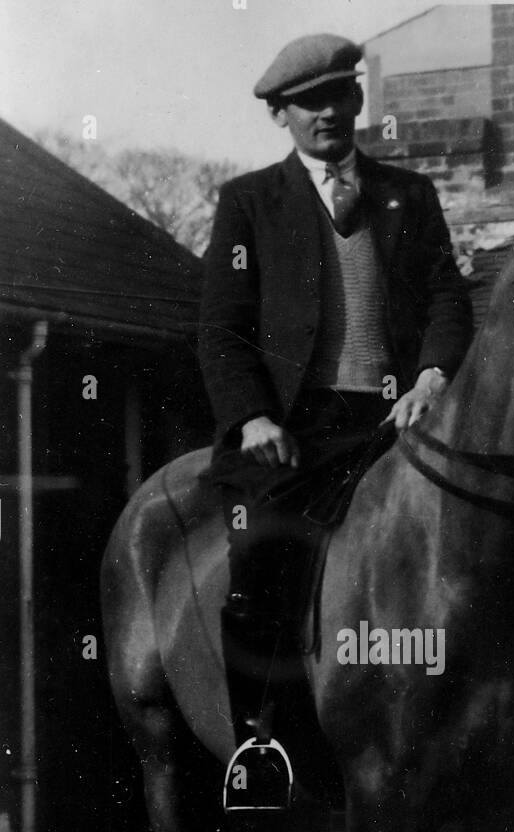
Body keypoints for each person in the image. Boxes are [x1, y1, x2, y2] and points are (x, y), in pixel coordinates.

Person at [198, 33, 473, 752]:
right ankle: (260, 742)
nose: (326, 113)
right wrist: (253, 417)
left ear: (357, 99)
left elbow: (447, 292)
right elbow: (222, 329)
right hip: (294, 430)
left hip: (397, 418)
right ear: (280, 116)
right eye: (306, 103)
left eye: (338, 96)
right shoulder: (250, 203)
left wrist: (432, 375)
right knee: (260, 555)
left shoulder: (408, 195)